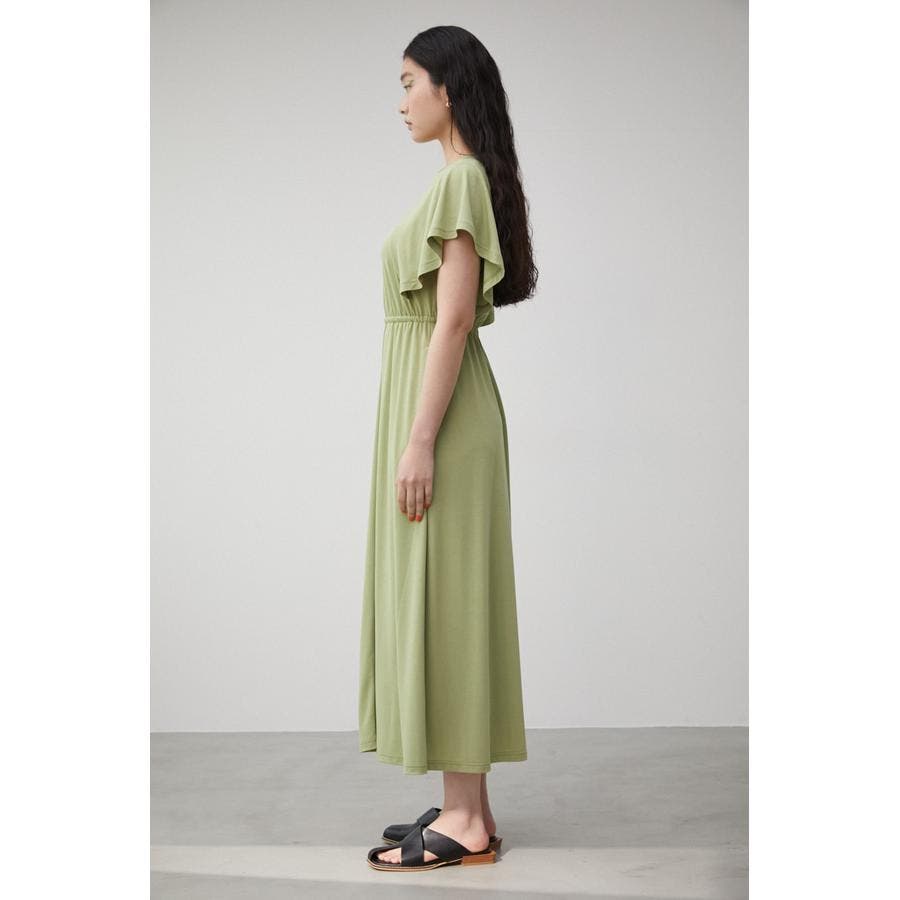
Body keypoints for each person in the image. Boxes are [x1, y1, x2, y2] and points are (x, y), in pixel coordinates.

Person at [359, 25, 538, 872]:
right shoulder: (456, 181)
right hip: (432, 406)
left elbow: (455, 317)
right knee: (443, 597)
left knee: (451, 600)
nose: (400, 102)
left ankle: (464, 820)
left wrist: (421, 440)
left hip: (445, 418)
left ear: (448, 88)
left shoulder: (461, 181)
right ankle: (474, 808)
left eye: (408, 83)